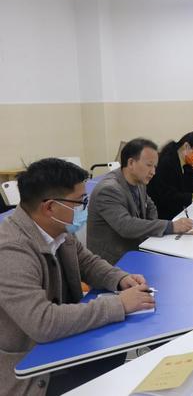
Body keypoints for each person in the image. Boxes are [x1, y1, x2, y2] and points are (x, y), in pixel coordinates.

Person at [0, 158, 155, 396]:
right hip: (32, 373)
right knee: (116, 374)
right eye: (80, 201)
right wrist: (118, 304)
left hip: (61, 345)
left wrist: (120, 278)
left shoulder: (57, 230)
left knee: (113, 352)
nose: (84, 208)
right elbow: (43, 322)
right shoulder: (11, 251)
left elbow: (87, 262)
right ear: (50, 207)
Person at [87, 138, 193, 264]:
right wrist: (170, 226)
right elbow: (126, 226)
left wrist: (152, 229)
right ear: (131, 163)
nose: (153, 172)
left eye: (155, 166)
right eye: (149, 165)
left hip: (137, 248)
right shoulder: (108, 190)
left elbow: (151, 206)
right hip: (113, 261)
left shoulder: (139, 181)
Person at [147, 132, 193, 220]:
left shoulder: (185, 163)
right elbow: (169, 196)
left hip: (181, 212)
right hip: (165, 215)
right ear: (186, 146)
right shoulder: (167, 162)